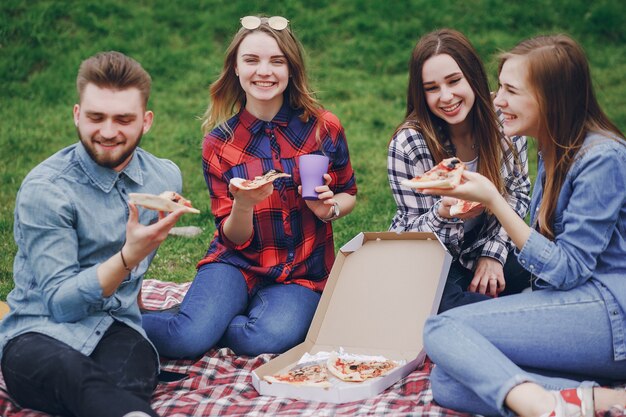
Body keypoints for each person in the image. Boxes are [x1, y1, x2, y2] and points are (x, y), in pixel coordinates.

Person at [423, 34, 626, 417]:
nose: (497, 100)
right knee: (449, 380)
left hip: (612, 316)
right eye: (500, 88)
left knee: (442, 329)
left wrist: (494, 202)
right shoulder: (552, 150)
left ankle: (541, 406)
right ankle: (599, 401)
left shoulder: (603, 158)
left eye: (511, 91)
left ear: (551, 99)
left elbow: (568, 270)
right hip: (577, 309)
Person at [141, 15, 357, 359]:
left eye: (276, 61)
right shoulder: (219, 144)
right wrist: (242, 204)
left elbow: (349, 193)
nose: (264, 71)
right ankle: (113, 326)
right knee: (185, 340)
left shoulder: (323, 127)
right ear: (236, 70)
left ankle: (209, 320)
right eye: (252, 60)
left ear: (291, 69)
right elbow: (233, 238)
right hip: (236, 263)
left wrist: (328, 208)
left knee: (264, 339)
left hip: (301, 274)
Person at [0, 51, 193, 417]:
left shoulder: (163, 178)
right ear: (77, 115)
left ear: (146, 121)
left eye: (123, 119)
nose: (107, 131)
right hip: (38, 331)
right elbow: (60, 303)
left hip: (118, 329)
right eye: (95, 117)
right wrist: (127, 258)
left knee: (126, 383)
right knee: (77, 378)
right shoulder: (46, 190)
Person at [387, 29, 531, 312]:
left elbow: (518, 194)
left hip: (487, 241)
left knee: (547, 272)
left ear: (473, 77)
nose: (446, 96)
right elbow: (413, 236)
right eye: (431, 88)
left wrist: (493, 255)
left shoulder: (505, 119)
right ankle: (512, 315)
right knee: (446, 305)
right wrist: (443, 214)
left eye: (454, 81)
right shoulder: (408, 143)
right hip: (432, 256)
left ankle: (501, 312)